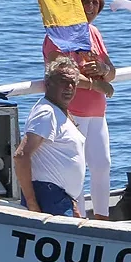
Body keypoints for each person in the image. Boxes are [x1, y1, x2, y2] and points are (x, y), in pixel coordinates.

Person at [42, 0, 116, 218]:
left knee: (102, 166)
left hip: (97, 111)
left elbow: (112, 70)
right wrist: (97, 84)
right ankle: (79, 220)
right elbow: (62, 74)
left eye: (96, 3)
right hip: (71, 112)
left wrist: (103, 69)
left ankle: (103, 219)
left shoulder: (93, 33)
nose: (92, 7)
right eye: (86, 1)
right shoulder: (57, 36)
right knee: (76, 170)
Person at [15, 57, 86, 217]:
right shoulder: (46, 113)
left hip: (61, 198)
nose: (69, 87)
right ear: (48, 83)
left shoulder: (60, 112)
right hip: (48, 197)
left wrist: (71, 200)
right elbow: (21, 156)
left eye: (73, 83)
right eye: (63, 82)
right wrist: (32, 203)